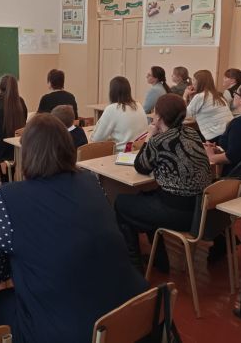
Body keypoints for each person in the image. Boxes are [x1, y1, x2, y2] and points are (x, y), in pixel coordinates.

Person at [0, 114, 149, 343]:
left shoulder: (7, 197)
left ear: (27, 154)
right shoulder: (92, 182)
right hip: (134, 315)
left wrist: (21, 263)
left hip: (73, 330)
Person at [115, 94, 212, 272]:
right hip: (200, 210)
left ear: (158, 117)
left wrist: (149, 137)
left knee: (121, 203)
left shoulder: (159, 141)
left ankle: (134, 264)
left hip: (178, 213)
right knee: (144, 198)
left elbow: (141, 166)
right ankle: (159, 260)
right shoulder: (192, 133)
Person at [90, 76, 148, 152]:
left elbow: (96, 139)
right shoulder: (138, 105)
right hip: (140, 152)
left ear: (112, 92)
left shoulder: (112, 109)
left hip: (122, 154)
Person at [184, 70, 233, 142]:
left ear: (199, 82)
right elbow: (194, 113)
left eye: (193, 80)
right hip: (228, 132)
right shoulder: (218, 95)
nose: (192, 83)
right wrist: (191, 97)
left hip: (215, 135)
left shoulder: (201, 96)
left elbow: (185, 114)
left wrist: (185, 96)